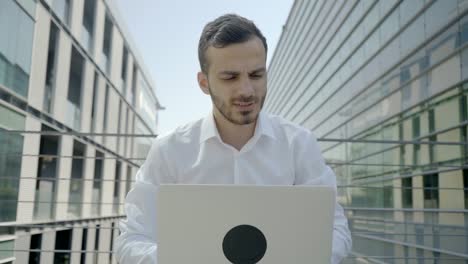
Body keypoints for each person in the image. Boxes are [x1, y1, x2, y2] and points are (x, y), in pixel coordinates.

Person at [115, 13, 352, 263]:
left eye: (256, 75)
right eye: (230, 77)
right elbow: (131, 240)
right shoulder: (169, 150)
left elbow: (336, 231)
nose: (246, 90)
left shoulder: (299, 144)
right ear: (204, 83)